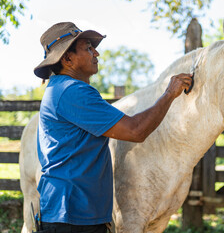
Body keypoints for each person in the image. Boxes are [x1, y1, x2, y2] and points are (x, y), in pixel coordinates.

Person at [33, 22, 193, 233]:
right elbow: (136, 130)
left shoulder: (59, 89)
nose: (96, 52)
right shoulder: (73, 92)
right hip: (72, 219)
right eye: (88, 47)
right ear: (68, 58)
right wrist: (169, 94)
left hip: (72, 214)